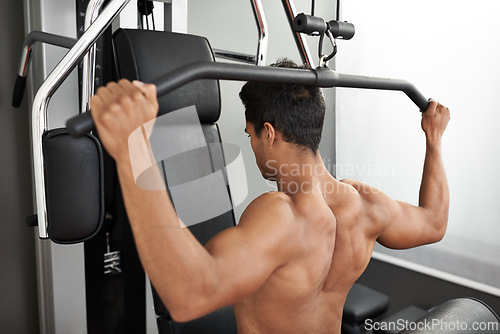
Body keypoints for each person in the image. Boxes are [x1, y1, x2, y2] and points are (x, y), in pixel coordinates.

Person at [90, 59, 450, 334]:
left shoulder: (281, 214)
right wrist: (433, 140)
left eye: (250, 136)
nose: (252, 147)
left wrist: (131, 147)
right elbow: (434, 223)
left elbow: (188, 297)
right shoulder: (365, 204)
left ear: (269, 132)